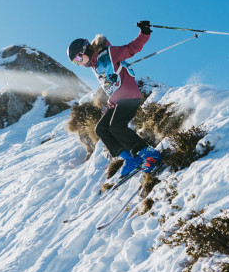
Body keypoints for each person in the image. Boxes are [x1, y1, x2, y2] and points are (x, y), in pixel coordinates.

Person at [68, 20, 162, 177]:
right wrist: (111, 102)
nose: (78, 63)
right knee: (101, 129)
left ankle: (150, 153)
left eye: (78, 59)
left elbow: (131, 48)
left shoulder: (108, 53)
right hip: (119, 100)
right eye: (75, 63)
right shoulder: (94, 66)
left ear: (84, 50)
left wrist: (144, 33)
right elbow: (111, 86)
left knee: (116, 126)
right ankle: (131, 158)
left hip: (130, 96)